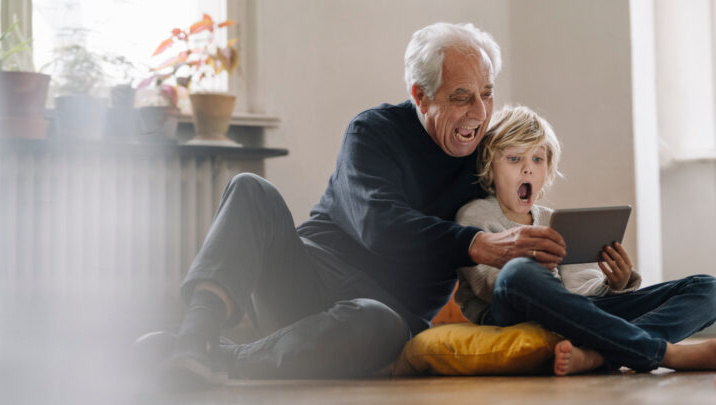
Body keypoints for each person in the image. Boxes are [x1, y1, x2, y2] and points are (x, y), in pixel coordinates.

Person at [136, 22, 568, 388]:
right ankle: (193, 339)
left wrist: (595, 267)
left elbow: (522, 207)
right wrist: (474, 244)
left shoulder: (484, 157)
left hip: (382, 317)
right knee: (250, 187)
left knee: (377, 324)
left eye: (487, 94)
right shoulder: (373, 131)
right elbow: (379, 224)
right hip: (306, 278)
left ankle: (224, 359)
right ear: (420, 96)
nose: (479, 113)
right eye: (461, 97)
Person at [455, 105, 716, 375]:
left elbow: (583, 297)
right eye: (514, 159)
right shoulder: (474, 214)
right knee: (518, 273)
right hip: (514, 314)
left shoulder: (551, 219)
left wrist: (615, 284)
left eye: (537, 159)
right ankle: (665, 354)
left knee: (708, 288)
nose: (528, 170)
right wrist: (537, 267)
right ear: (489, 166)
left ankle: (599, 357)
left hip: (579, 317)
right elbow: (490, 286)